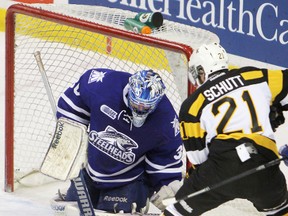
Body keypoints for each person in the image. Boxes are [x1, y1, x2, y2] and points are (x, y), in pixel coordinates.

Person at [163, 43, 288, 216]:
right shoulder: (255, 75)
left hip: (222, 170)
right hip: (265, 163)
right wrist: (273, 109)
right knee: (281, 210)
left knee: (177, 211)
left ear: (201, 70)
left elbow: (198, 158)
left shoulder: (191, 106)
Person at [51, 68, 184, 214]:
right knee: (71, 212)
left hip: (129, 179)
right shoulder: (102, 86)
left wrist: (166, 189)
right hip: (90, 169)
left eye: (146, 106)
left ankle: (136, 195)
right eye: (136, 103)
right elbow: (71, 110)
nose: (140, 110)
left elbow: (165, 162)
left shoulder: (166, 122)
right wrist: (72, 140)